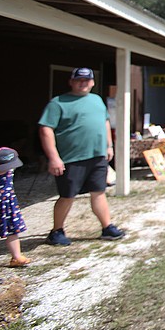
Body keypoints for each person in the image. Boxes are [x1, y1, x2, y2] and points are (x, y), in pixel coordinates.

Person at [38, 67, 125, 246]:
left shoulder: (97, 100)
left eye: (87, 80)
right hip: (71, 159)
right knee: (67, 195)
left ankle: (107, 227)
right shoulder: (58, 103)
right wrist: (54, 157)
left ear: (92, 82)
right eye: (79, 80)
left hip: (97, 156)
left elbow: (105, 122)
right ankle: (56, 231)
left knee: (99, 192)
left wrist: (109, 145)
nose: (83, 83)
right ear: (71, 81)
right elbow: (45, 129)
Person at [0, 147, 30, 267]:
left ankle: (16, 257)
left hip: (8, 205)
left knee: (13, 231)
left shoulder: (10, 169)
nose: (6, 169)